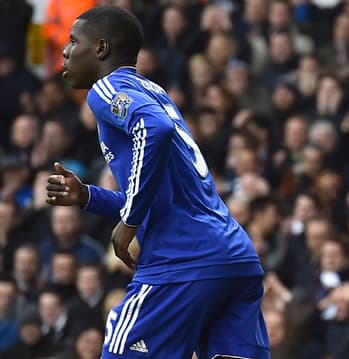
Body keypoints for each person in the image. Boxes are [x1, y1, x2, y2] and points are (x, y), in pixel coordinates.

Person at [46, 6, 269, 359]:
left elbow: (154, 130)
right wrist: (89, 195)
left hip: (182, 259)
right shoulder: (153, 91)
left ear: (101, 49)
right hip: (233, 258)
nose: (65, 50)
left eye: (74, 41)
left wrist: (128, 221)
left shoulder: (107, 88)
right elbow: (163, 198)